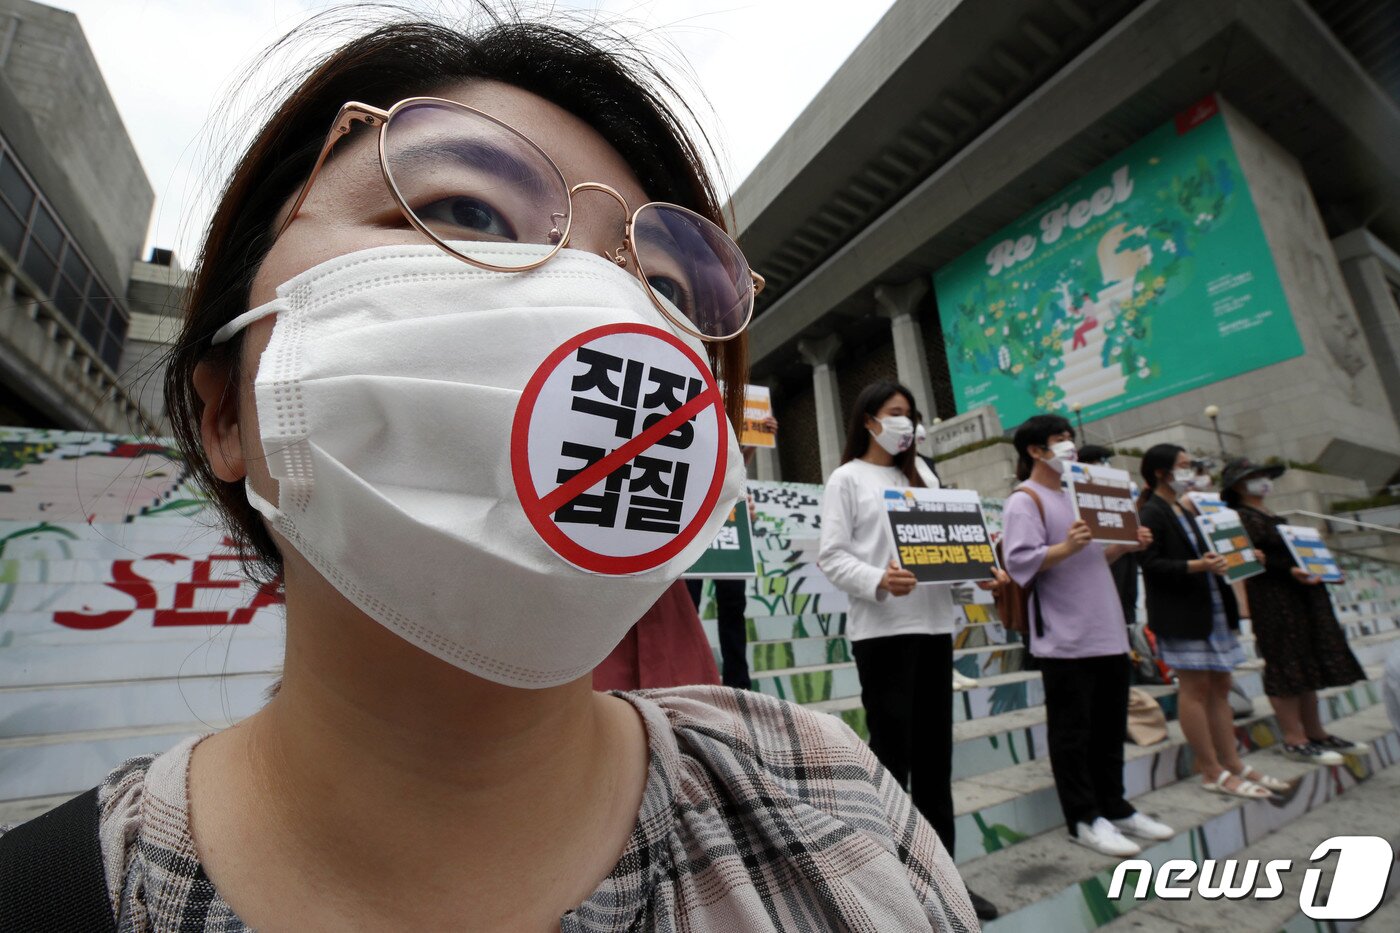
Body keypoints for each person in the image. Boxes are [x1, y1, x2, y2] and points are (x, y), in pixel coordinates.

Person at [0, 17, 980, 931]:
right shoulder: (65, 896)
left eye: (667, 290)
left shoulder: (831, 799)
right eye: (462, 209)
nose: (596, 306)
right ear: (225, 410)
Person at [818, 380, 1004, 921]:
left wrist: (980, 575)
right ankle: (889, 880)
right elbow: (833, 556)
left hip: (933, 629)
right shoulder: (848, 478)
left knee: (934, 759)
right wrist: (879, 578)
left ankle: (945, 880)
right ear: (869, 420)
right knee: (892, 758)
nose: (908, 424)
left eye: (911, 414)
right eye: (896, 413)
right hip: (883, 634)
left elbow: (950, 555)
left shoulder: (925, 477)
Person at [1001, 416, 1172, 857]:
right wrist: (1067, 547)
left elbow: (1096, 557)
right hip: (1064, 637)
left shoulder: (1078, 497)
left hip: (1107, 631)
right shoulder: (1025, 501)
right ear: (1036, 451)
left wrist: (1124, 545)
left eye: (1069, 439)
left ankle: (1114, 807)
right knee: (1072, 732)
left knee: (1109, 726)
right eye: (1059, 441)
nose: (1070, 447)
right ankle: (1082, 818)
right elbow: (1022, 563)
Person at [1137, 444, 1288, 799]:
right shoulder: (1152, 513)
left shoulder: (1186, 509)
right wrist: (1200, 566)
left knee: (1221, 686)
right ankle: (1210, 768)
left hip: (1211, 607)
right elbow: (1152, 565)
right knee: (1195, 688)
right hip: (1182, 613)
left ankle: (1233, 762)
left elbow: (1216, 554)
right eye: (1184, 466)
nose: (1192, 472)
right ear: (1161, 472)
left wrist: (1244, 557)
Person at [1222, 457, 1367, 763]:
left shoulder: (1270, 514)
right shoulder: (1237, 518)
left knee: (1305, 662)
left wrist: (1325, 570)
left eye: (1264, 475)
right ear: (1237, 485)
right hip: (1273, 599)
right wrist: (1289, 571)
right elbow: (1249, 562)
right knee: (1285, 663)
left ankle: (1316, 732)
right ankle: (1294, 736)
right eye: (1255, 476)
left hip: (1300, 597)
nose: (1263, 481)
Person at [685, 415, 780, 690]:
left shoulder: (728, 427)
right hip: (696, 528)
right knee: (690, 605)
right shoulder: (698, 421)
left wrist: (755, 438)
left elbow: (737, 468)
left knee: (733, 606)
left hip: (730, 528)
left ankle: (739, 682)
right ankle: (691, 674)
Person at [1076, 444, 1138, 627]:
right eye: (1100, 461)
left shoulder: (1121, 486)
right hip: (1104, 552)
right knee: (1112, 600)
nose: (1105, 465)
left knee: (1128, 598)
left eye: (1106, 461)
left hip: (1127, 550)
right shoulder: (1080, 488)